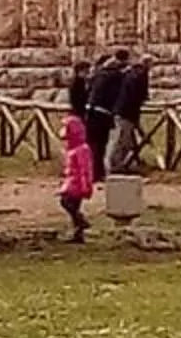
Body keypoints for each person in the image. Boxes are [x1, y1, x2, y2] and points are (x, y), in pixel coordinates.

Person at [83, 52, 123, 184]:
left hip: (90, 111)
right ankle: (97, 172)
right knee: (100, 145)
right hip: (102, 114)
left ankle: (92, 172)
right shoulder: (115, 77)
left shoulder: (97, 76)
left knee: (92, 144)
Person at [110, 49, 149, 175]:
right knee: (123, 140)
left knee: (126, 140)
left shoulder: (131, 74)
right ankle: (116, 165)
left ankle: (125, 162)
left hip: (125, 111)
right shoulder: (138, 75)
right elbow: (136, 94)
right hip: (126, 112)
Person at [58, 111, 95, 242]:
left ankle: (80, 222)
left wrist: (86, 186)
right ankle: (78, 232)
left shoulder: (81, 150)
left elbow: (85, 169)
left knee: (67, 202)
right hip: (72, 182)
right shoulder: (73, 149)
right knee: (68, 203)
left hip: (77, 184)